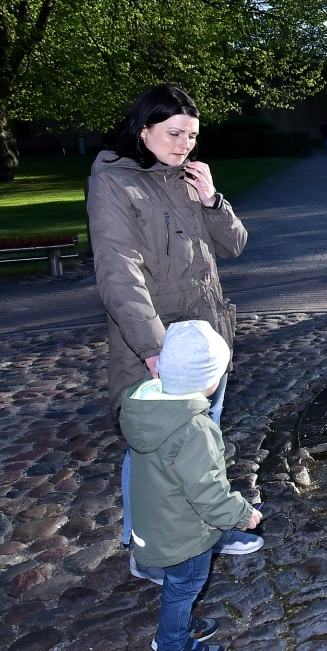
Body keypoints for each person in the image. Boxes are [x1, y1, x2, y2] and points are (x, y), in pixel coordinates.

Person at [87, 84, 261, 586]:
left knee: (204, 442)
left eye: (192, 135)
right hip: (159, 344)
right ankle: (147, 550)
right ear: (143, 130)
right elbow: (118, 274)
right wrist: (153, 349)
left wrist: (212, 199)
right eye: (174, 133)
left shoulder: (186, 178)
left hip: (207, 339)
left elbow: (234, 244)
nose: (185, 143)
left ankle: (207, 529)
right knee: (152, 449)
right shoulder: (113, 183)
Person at [121, 320, 262, 651]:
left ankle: (177, 625)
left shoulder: (150, 411)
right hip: (185, 532)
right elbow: (207, 491)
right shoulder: (194, 429)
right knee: (185, 586)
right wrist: (242, 514)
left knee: (177, 585)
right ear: (207, 380)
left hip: (158, 522)